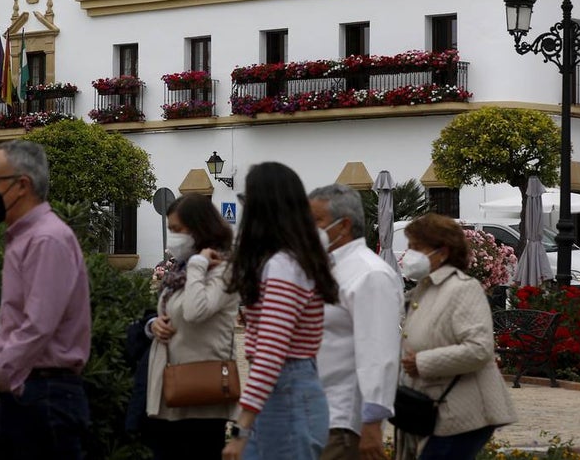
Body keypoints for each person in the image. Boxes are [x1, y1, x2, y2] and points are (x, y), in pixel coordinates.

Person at [0, 140, 92, 459]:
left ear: (21, 186)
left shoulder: (46, 239)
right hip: (22, 394)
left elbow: (37, 327)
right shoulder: (27, 237)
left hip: (42, 399)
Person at [223, 162, 339, 460]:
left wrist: (241, 429)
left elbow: (272, 352)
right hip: (289, 390)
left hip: (286, 392)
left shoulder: (283, 267)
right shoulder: (291, 261)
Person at [396, 214, 517, 460]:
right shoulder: (425, 289)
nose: (409, 254)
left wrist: (421, 362)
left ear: (442, 251)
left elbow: (479, 349)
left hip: (462, 414)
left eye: (416, 247)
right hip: (437, 410)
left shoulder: (463, 288)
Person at [144, 192, 241, 459]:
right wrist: (153, 324)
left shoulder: (223, 269)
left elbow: (195, 311)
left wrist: (199, 264)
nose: (173, 237)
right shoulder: (179, 270)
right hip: (169, 390)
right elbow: (167, 312)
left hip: (201, 393)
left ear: (199, 229)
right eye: (170, 229)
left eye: (177, 230)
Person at [309, 184, 403, 460]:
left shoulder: (370, 274)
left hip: (342, 418)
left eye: (316, 221)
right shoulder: (328, 268)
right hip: (315, 411)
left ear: (344, 225)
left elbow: (379, 352)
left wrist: (372, 422)